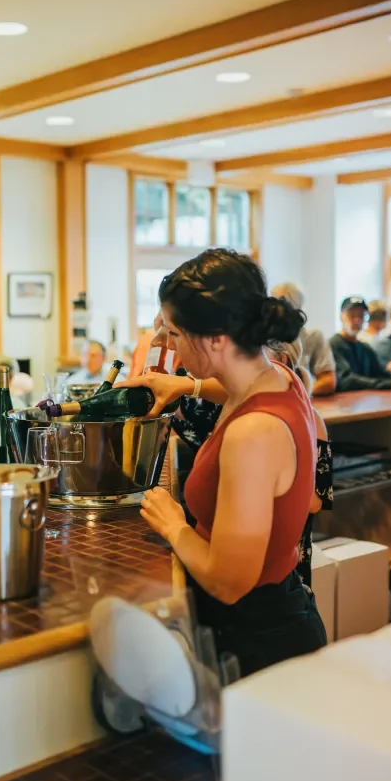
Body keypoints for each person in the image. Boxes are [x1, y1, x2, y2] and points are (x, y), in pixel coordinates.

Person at [124, 248, 327, 677]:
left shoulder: (252, 435)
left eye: (174, 334)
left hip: (258, 641)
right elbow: (230, 386)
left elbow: (229, 581)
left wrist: (173, 524)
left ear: (215, 338)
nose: (168, 345)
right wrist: (185, 385)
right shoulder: (279, 378)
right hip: (280, 615)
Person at [329, 296, 391, 392]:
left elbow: (380, 375)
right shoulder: (333, 345)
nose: (357, 320)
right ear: (342, 316)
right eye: (352, 315)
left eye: (361, 315)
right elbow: (345, 380)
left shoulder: (365, 348)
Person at [271, 282, 336, 396]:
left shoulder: (314, 336)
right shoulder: (262, 339)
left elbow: (328, 380)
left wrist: (299, 394)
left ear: (299, 309)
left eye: (286, 305)